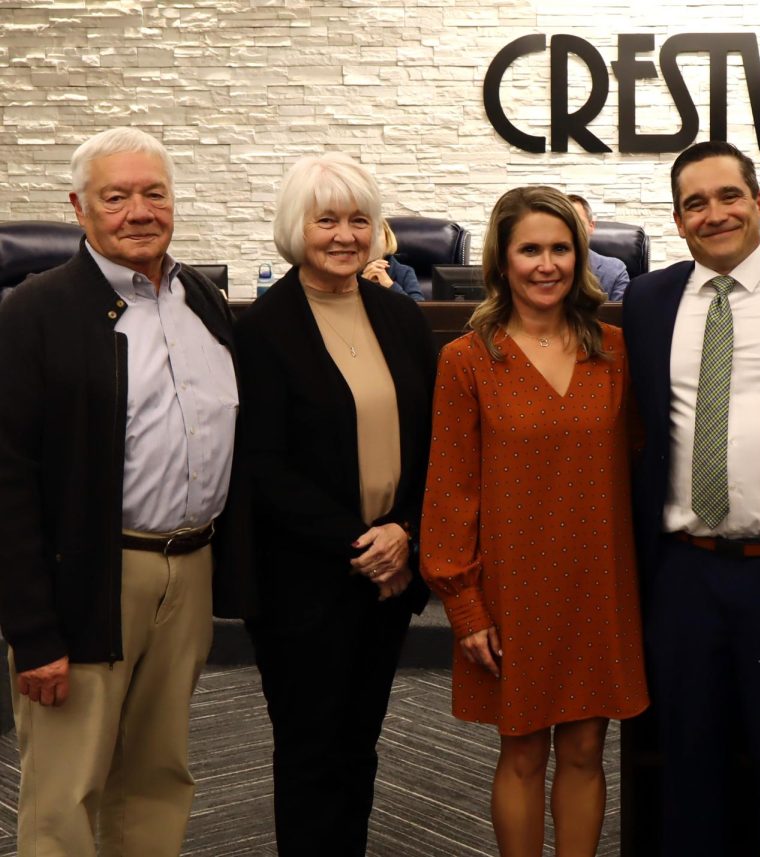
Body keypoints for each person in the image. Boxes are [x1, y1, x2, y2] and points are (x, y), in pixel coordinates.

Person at [0, 126, 251, 855]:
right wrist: (32, 631)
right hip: (88, 576)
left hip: (189, 572)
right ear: (79, 208)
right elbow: (7, 479)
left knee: (158, 776)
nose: (139, 211)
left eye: (154, 194)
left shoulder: (201, 297)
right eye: (116, 197)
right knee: (67, 788)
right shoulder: (34, 312)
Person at [622, 141, 760, 856]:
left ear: (759, 202)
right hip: (683, 572)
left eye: (728, 196)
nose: (714, 214)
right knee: (688, 763)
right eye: (695, 204)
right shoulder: (648, 301)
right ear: (678, 220)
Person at [421, 185, 648, 857]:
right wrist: (464, 605)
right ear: (501, 259)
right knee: (521, 751)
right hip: (512, 589)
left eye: (560, 249)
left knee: (584, 749)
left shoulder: (615, 351)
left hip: (598, 584)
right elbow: (450, 491)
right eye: (530, 250)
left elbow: (642, 462)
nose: (547, 265)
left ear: (580, 256)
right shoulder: (466, 360)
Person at [234, 152, 436, 854]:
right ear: (296, 227)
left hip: (390, 573)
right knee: (310, 751)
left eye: (358, 219)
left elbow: (432, 439)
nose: (345, 235)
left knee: (358, 745)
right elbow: (263, 465)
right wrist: (361, 542)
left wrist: (404, 530)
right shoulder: (261, 329)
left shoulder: (400, 317)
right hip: (304, 581)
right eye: (326, 220)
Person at [568, 193, 630, 300]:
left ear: (591, 226)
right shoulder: (546, 268)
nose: (572, 230)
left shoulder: (614, 271)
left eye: (578, 223)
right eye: (566, 224)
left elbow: (621, 310)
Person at [361, 220, 425, 299]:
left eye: (377, 233)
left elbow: (418, 305)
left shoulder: (405, 272)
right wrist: (361, 286)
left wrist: (389, 285)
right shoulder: (349, 272)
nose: (373, 240)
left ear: (387, 239)